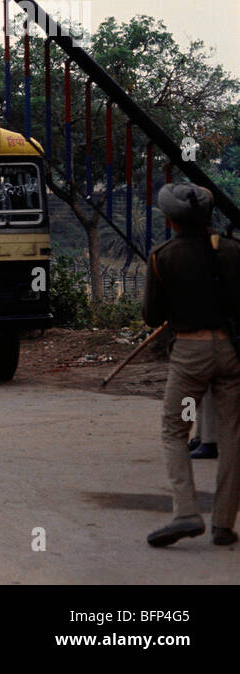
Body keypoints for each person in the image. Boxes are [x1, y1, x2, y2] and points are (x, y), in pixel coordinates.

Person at [144, 182, 240, 548]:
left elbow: (153, 316)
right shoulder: (233, 251)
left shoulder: (163, 257)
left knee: (174, 430)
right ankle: (223, 524)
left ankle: (186, 512)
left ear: (171, 221)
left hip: (190, 355)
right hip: (232, 353)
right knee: (233, 436)